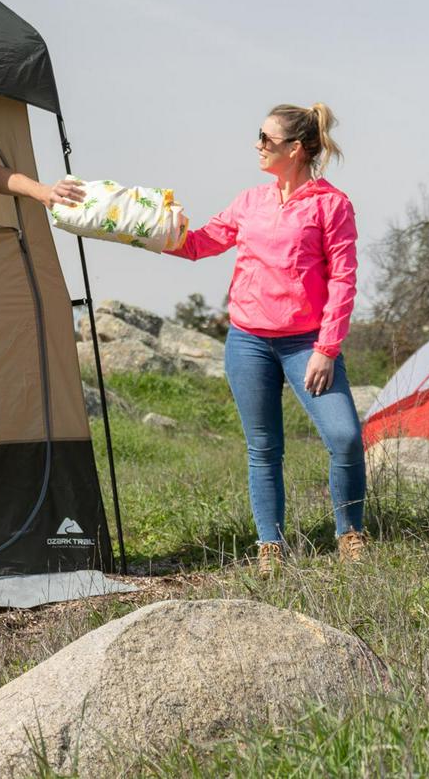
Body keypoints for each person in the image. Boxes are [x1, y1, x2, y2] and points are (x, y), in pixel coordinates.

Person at [166, 102, 365, 570]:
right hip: (248, 342)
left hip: (307, 345)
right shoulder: (249, 201)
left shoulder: (331, 205)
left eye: (266, 139)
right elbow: (198, 244)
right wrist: (152, 228)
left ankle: (350, 532)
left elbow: (344, 281)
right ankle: (269, 544)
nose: (258, 145)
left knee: (346, 437)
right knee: (264, 447)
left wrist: (326, 350)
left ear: (295, 149)